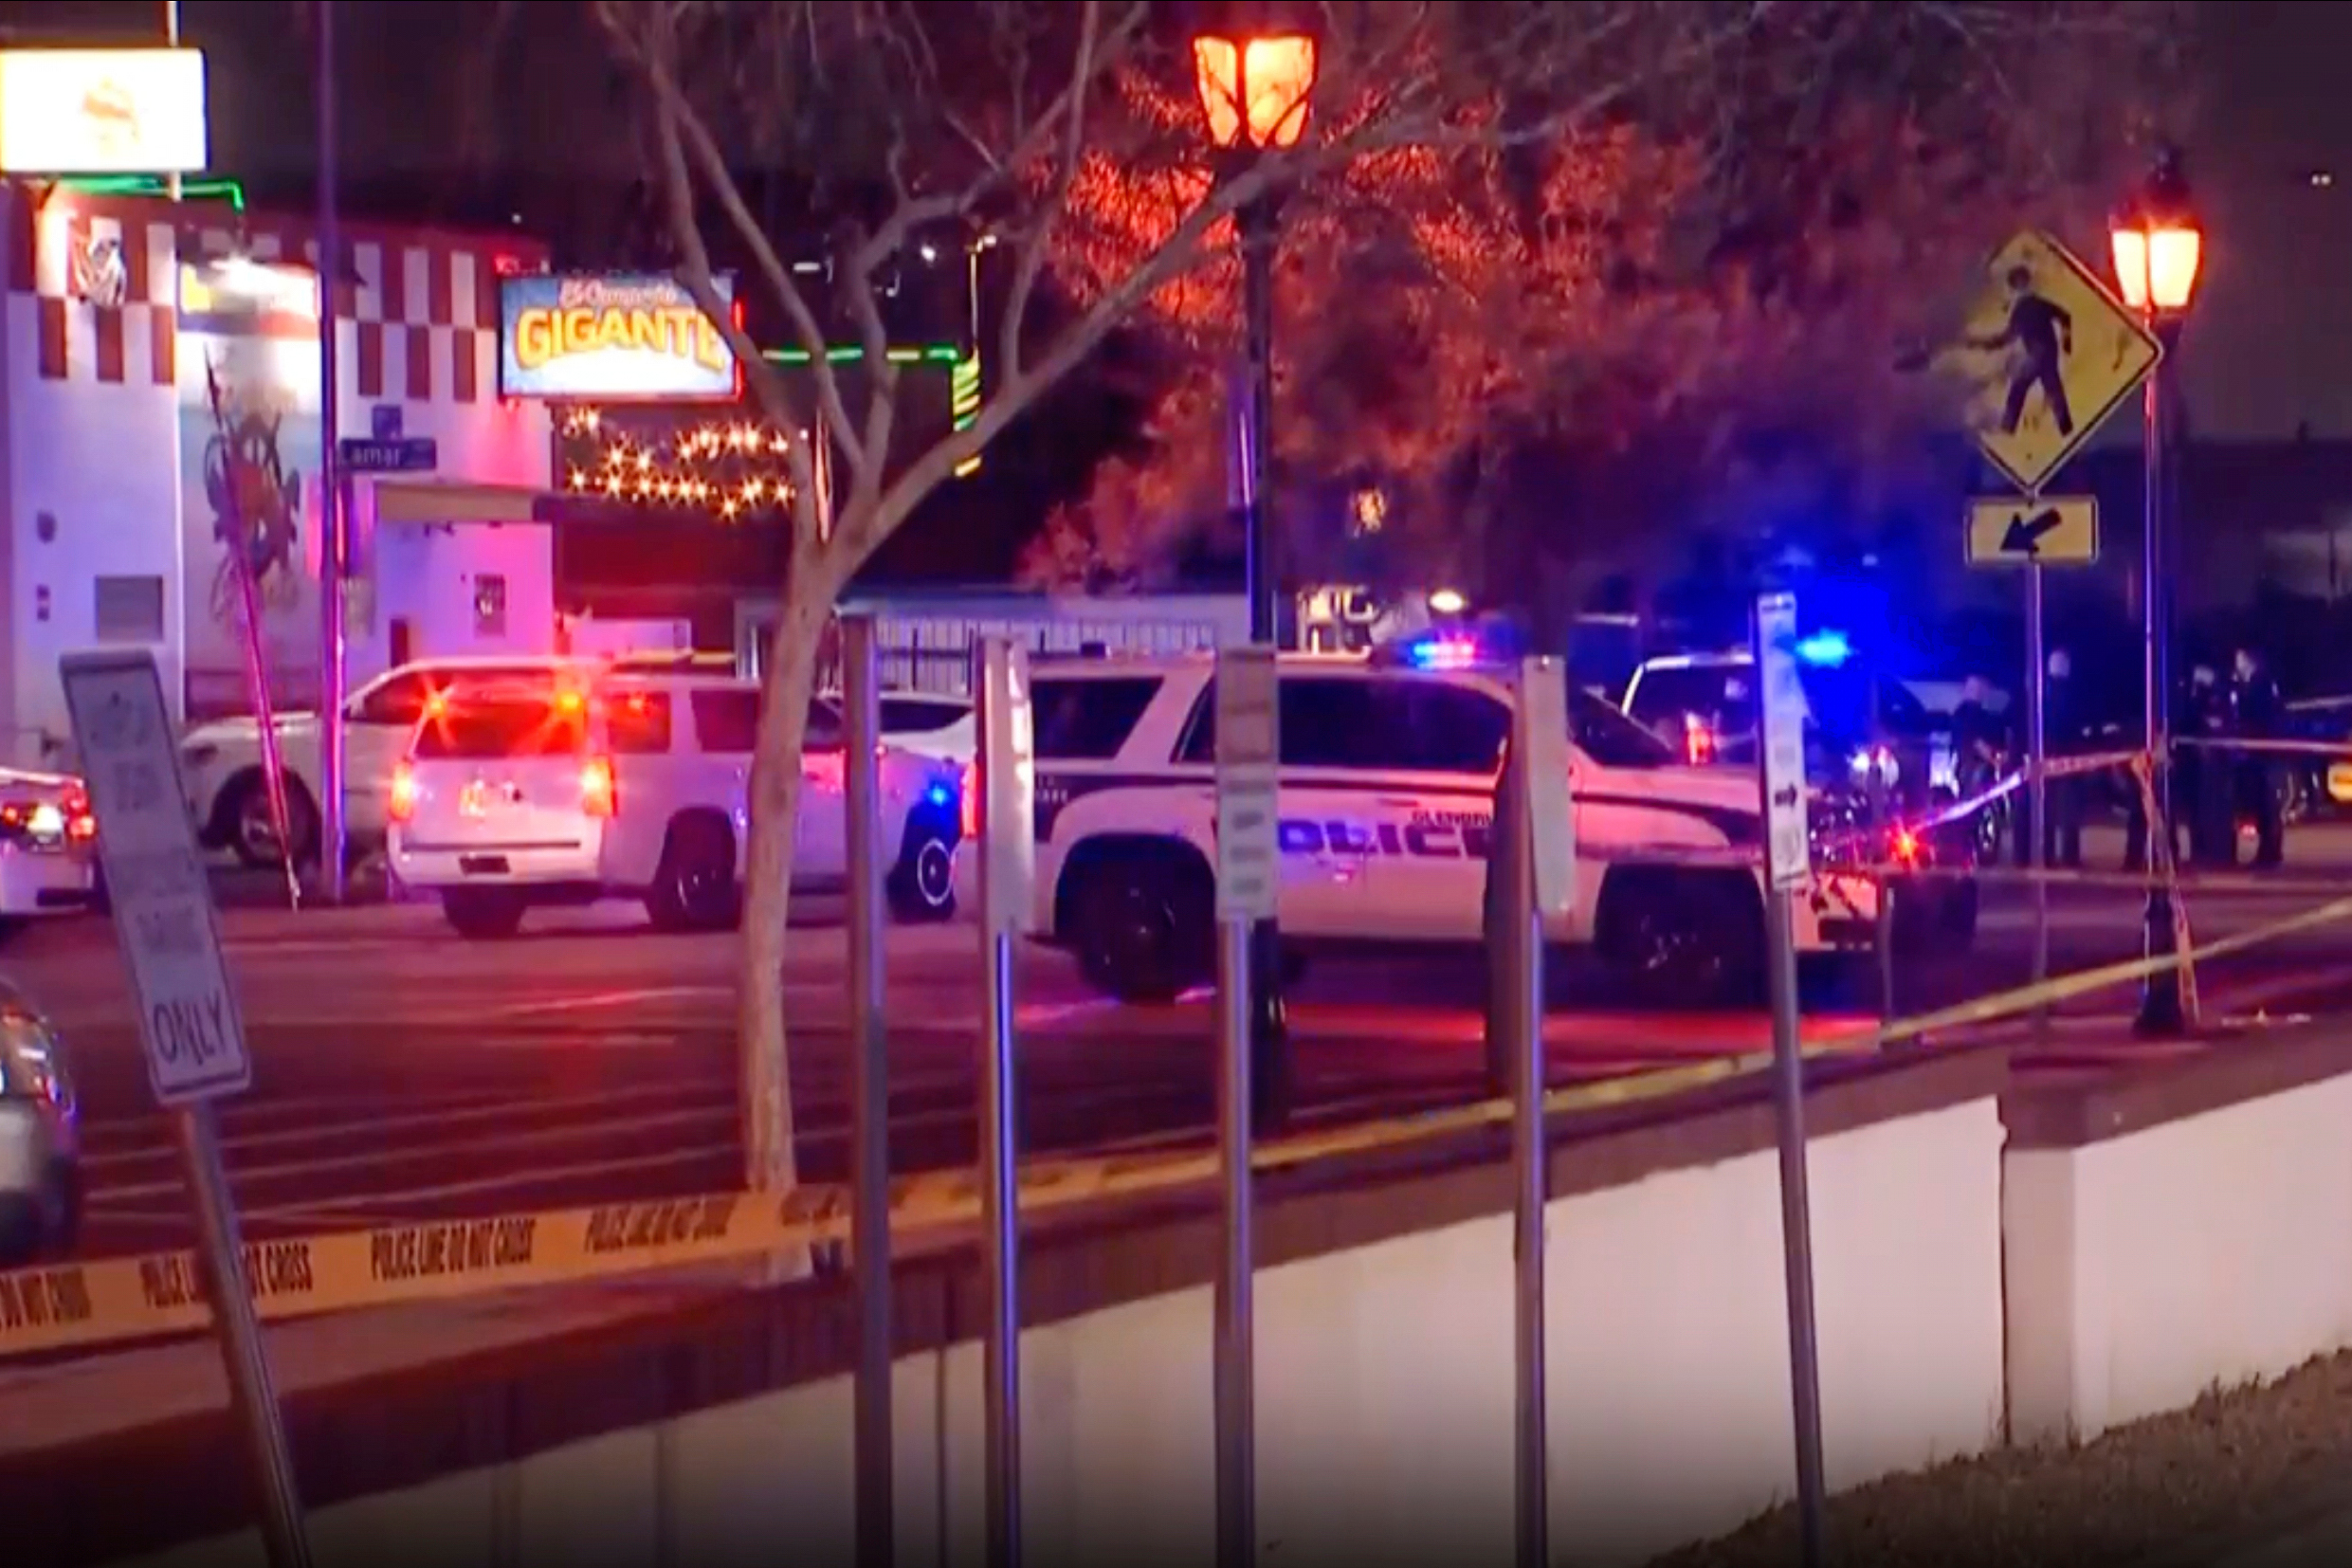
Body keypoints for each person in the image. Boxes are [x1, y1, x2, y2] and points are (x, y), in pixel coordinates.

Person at [2232, 645, 2286, 868]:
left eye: (2240, 659)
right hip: (2262, 751)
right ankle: (2269, 852)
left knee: (2266, 805)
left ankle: (2270, 854)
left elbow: (2256, 715)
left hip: (2261, 752)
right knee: (2264, 806)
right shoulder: (2262, 682)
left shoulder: (2258, 684)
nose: (2237, 664)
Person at [2182, 664, 2234, 867]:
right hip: (2199, 762)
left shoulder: (2218, 696)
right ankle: (2203, 852)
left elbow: (2216, 722)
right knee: (2200, 810)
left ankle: (2218, 853)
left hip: (2214, 761)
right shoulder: (2199, 696)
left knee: (2215, 808)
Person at [2040, 647, 2085, 868]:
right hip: (2068, 760)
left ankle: (2046, 856)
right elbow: (2078, 728)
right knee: (2068, 813)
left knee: (2047, 811)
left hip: (2047, 759)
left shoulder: (2043, 692)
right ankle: (2070, 857)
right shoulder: (2074, 695)